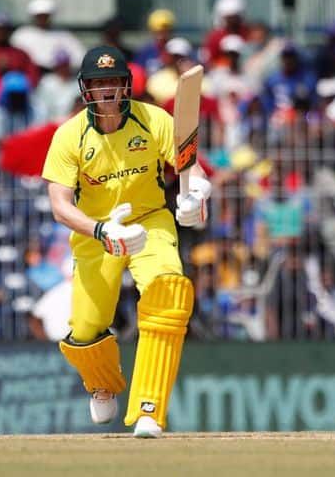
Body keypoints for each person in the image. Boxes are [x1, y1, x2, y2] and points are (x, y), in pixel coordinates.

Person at [42, 46, 212, 438]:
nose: (106, 92)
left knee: (168, 292)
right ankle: (102, 383)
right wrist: (102, 231)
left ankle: (149, 409)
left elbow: (190, 167)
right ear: (86, 89)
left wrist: (197, 194)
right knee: (85, 329)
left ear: (125, 87)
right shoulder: (69, 136)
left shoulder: (154, 120)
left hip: (150, 220)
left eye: (113, 83)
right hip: (95, 232)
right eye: (98, 84)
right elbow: (59, 206)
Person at [10, 0, 84, 72]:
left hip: (57, 76)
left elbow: (79, 58)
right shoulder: (22, 35)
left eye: (46, 16)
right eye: (39, 16)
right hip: (30, 75)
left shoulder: (64, 35)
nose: (42, 19)